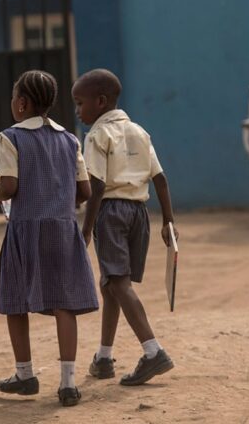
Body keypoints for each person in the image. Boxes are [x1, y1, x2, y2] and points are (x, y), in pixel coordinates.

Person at [0, 70, 99, 407]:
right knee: (63, 302)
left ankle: (25, 374)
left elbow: (9, 187)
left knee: (14, 300)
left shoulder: (10, 138)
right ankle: (68, 382)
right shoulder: (69, 139)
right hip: (62, 228)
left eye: (13, 96)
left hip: (25, 228)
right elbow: (85, 190)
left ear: (21, 104)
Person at [73, 69, 177, 386]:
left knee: (117, 283)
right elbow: (160, 178)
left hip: (112, 212)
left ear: (101, 102)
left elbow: (97, 184)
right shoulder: (139, 131)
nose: (78, 111)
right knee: (111, 284)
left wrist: (87, 228)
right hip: (139, 213)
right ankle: (103, 357)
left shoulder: (97, 136)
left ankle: (152, 350)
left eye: (80, 103)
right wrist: (168, 220)